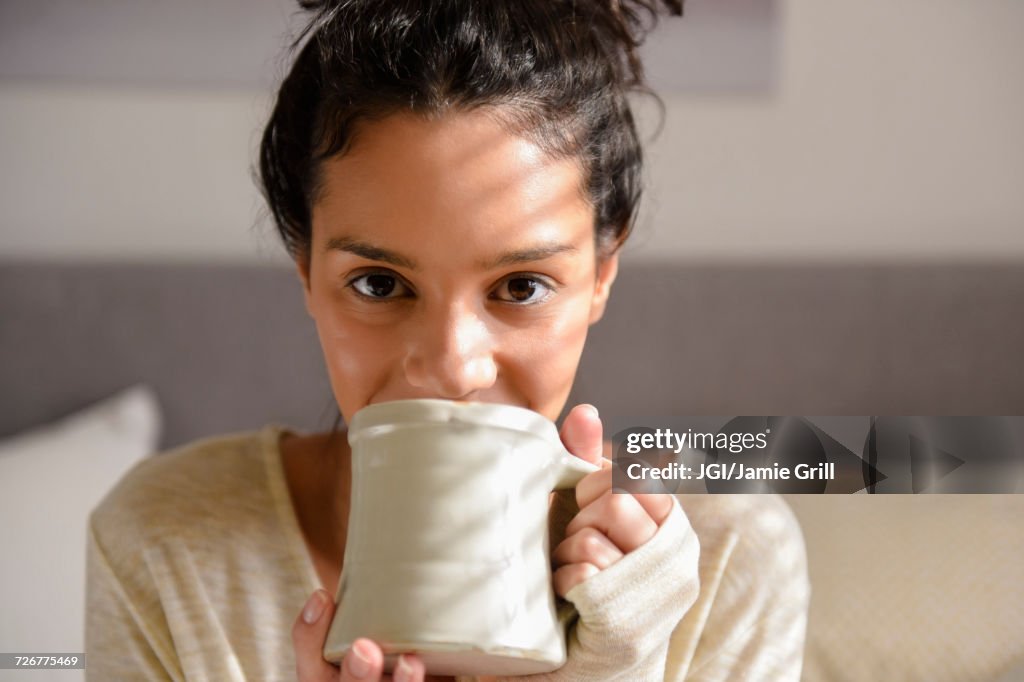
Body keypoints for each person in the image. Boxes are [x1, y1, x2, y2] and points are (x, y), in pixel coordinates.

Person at [85, 1, 810, 680]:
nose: (452, 367)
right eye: (378, 284)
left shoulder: (732, 555)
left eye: (521, 287)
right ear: (306, 272)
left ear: (600, 277)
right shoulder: (161, 543)